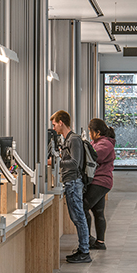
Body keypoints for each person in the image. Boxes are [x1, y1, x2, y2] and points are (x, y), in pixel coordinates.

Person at [50, 110, 92, 263]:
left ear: (61, 122)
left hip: (74, 182)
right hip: (70, 182)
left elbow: (75, 163)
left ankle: (84, 251)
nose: (53, 128)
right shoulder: (68, 139)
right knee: (77, 217)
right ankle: (83, 248)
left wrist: (56, 162)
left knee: (79, 217)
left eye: (54, 124)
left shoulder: (73, 140)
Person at [84, 118, 116, 250]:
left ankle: (87, 239)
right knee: (98, 211)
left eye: (90, 131)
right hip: (100, 181)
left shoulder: (105, 143)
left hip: (100, 181)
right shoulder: (98, 142)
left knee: (83, 207)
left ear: (97, 132)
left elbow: (95, 156)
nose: (89, 134)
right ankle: (100, 242)